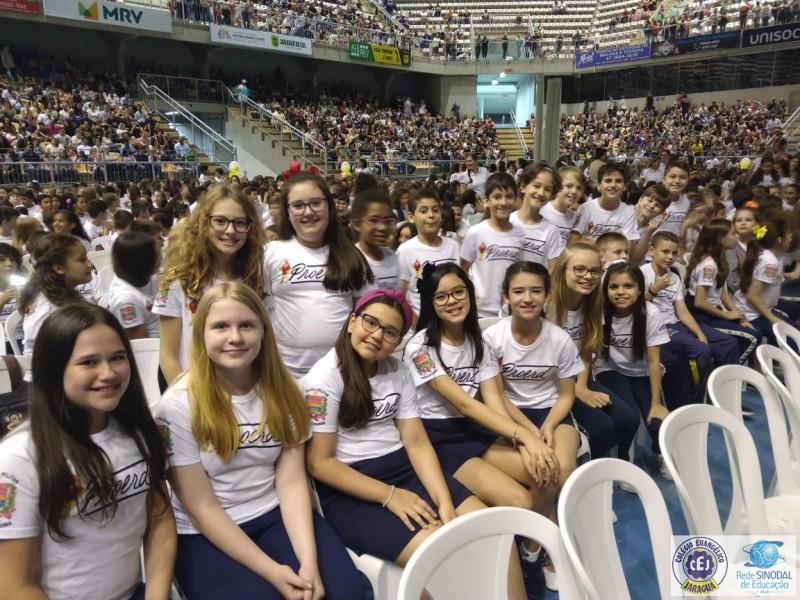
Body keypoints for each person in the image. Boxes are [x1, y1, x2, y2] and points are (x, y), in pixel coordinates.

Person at [155, 282, 364, 600]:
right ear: (201, 335)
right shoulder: (177, 406)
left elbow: (292, 482)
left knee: (345, 593)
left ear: (264, 331)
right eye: (221, 326)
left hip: (273, 512)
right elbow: (202, 507)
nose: (235, 337)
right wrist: (273, 571)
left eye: (247, 325)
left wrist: (308, 564)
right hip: (203, 530)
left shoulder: (286, 392)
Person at [303, 290, 515, 591]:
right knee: (443, 552)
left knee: (495, 533)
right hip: (352, 486)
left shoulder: (397, 370)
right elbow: (319, 463)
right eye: (370, 322)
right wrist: (389, 496)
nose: (377, 336)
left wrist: (444, 500)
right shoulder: (324, 378)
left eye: (390, 332)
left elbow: (416, 442)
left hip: (403, 470)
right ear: (352, 321)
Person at [404, 262, 559, 599]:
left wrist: (532, 441)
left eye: (458, 292)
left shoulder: (479, 341)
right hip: (439, 438)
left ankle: (530, 555)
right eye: (441, 296)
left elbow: (494, 401)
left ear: (470, 294)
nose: (452, 301)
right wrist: (522, 437)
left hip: (476, 429)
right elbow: (466, 404)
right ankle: (511, 569)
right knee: (519, 499)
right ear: (430, 302)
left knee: (547, 470)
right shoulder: (419, 349)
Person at [0, 303, 175, 600]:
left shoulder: (138, 430)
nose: (108, 373)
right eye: (89, 362)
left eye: (117, 357)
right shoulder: (18, 459)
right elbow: (14, 587)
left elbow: (160, 519)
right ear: (54, 369)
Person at [484, 262, 583, 592]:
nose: (527, 298)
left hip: (552, 413)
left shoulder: (560, 339)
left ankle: (531, 548)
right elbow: (497, 396)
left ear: (547, 295)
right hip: (509, 416)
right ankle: (542, 546)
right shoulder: (492, 338)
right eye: (518, 291)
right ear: (505, 296)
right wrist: (528, 432)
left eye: (536, 291)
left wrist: (550, 425)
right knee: (542, 470)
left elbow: (567, 395)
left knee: (562, 469)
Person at [154, 184, 266, 384]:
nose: (230, 230)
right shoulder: (177, 281)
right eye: (220, 221)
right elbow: (168, 357)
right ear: (204, 223)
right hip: (194, 390)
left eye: (240, 223)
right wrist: (186, 398)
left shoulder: (256, 277)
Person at [265, 173, 372, 377]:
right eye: (298, 205)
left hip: (341, 369)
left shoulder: (351, 255)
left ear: (329, 206)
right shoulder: (270, 253)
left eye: (316, 203)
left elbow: (365, 313)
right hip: (285, 371)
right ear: (287, 212)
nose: (308, 212)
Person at [547, 244, 638, 459]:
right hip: (547, 383)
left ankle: (616, 464)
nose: (588, 276)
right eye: (579, 269)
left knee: (629, 420)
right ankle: (587, 470)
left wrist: (581, 386)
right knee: (601, 428)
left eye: (595, 271)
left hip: (576, 377)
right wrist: (575, 390)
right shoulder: (545, 305)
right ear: (562, 270)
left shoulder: (593, 304)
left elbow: (586, 352)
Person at [595, 262, 671, 478]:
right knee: (627, 418)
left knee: (657, 422)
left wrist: (656, 403)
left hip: (643, 373)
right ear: (606, 290)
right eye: (614, 287)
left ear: (639, 290)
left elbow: (654, 362)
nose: (620, 292)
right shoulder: (600, 311)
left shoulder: (650, 314)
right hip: (610, 369)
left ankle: (660, 452)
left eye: (628, 286)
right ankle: (623, 461)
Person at [684, 219, 760, 364]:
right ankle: (728, 370)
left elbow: (722, 293)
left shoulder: (718, 259)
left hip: (712, 311)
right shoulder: (709, 266)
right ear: (721, 239)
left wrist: (739, 315)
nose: (737, 236)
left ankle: (728, 365)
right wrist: (726, 315)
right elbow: (699, 302)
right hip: (701, 316)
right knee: (752, 337)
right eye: (733, 234)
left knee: (752, 330)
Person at [20, 234, 93, 381]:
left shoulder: (61, 293)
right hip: (48, 383)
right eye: (82, 259)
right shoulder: (48, 310)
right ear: (59, 268)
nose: (90, 264)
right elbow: (57, 361)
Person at [460, 172, 525, 317]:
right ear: (486, 201)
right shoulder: (476, 232)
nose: (503, 202)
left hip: (510, 309)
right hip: (479, 310)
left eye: (509, 196)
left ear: (516, 200)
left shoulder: (520, 234)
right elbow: (463, 269)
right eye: (497, 197)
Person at [734, 213, 800, 345]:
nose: (791, 237)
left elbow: (766, 278)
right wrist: (771, 318)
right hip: (752, 314)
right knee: (794, 341)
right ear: (779, 239)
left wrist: (787, 275)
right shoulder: (770, 262)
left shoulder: (771, 257)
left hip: (762, 309)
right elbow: (752, 294)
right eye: (789, 234)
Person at [396, 189, 460, 326]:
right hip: (423, 326)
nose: (431, 215)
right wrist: (419, 326)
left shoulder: (453, 246)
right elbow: (401, 297)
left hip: (453, 322)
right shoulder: (405, 251)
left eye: (435, 210)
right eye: (424, 211)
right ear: (411, 217)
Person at [569, 163, 639, 252]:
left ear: (625, 186)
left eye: (618, 181)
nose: (613, 185)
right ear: (599, 185)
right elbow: (573, 244)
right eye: (608, 181)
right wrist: (615, 245)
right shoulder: (586, 209)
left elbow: (627, 250)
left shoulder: (629, 212)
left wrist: (587, 241)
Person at [109, 232, 161, 340]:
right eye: (156, 255)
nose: (160, 259)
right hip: (156, 346)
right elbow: (142, 344)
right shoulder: (126, 300)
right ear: (142, 261)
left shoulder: (146, 277)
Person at [510, 164, 562, 270]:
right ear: (523, 187)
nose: (541, 193)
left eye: (547, 189)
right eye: (536, 186)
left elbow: (552, 270)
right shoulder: (508, 222)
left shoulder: (551, 231)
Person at [352, 188, 401, 290]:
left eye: (388, 221)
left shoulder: (395, 259)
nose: (382, 227)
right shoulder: (350, 262)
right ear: (357, 224)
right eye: (374, 220)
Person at [541, 166, 584, 253]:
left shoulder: (575, 217)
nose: (574, 191)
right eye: (569, 186)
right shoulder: (542, 210)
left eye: (579, 188)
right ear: (557, 187)